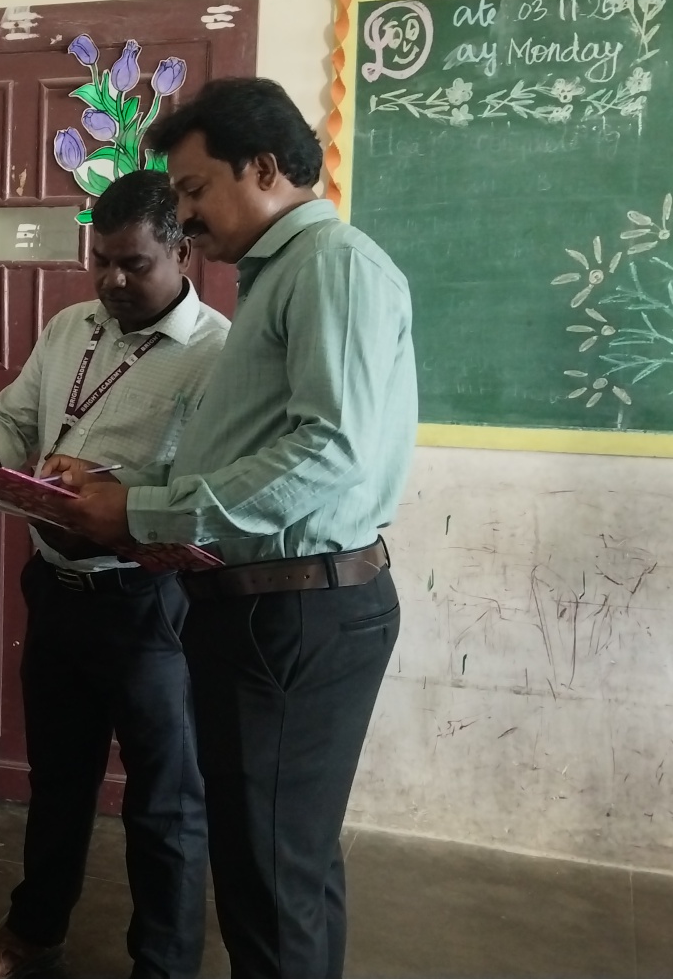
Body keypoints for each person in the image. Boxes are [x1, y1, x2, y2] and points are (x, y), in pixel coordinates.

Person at [64, 78, 417, 979]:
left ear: (263, 169)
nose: (184, 216)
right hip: (268, 607)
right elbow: (254, 450)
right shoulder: (281, 277)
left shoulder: (330, 266)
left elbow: (330, 453)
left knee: (269, 885)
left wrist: (142, 512)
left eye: (193, 190)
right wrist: (127, 489)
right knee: (283, 869)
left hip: (294, 614)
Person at [0, 171, 230, 979]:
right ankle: (35, 931)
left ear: (181, 253)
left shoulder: (216, 354)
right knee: (59, 779)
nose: (111, 281)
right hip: (56, 589)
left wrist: (106, 489)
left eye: (133, 264)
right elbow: (15, 415)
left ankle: (163, 966)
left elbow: (203, 488)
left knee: (165, 801)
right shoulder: (71, 326)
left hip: (146, 602)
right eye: (100, 261)